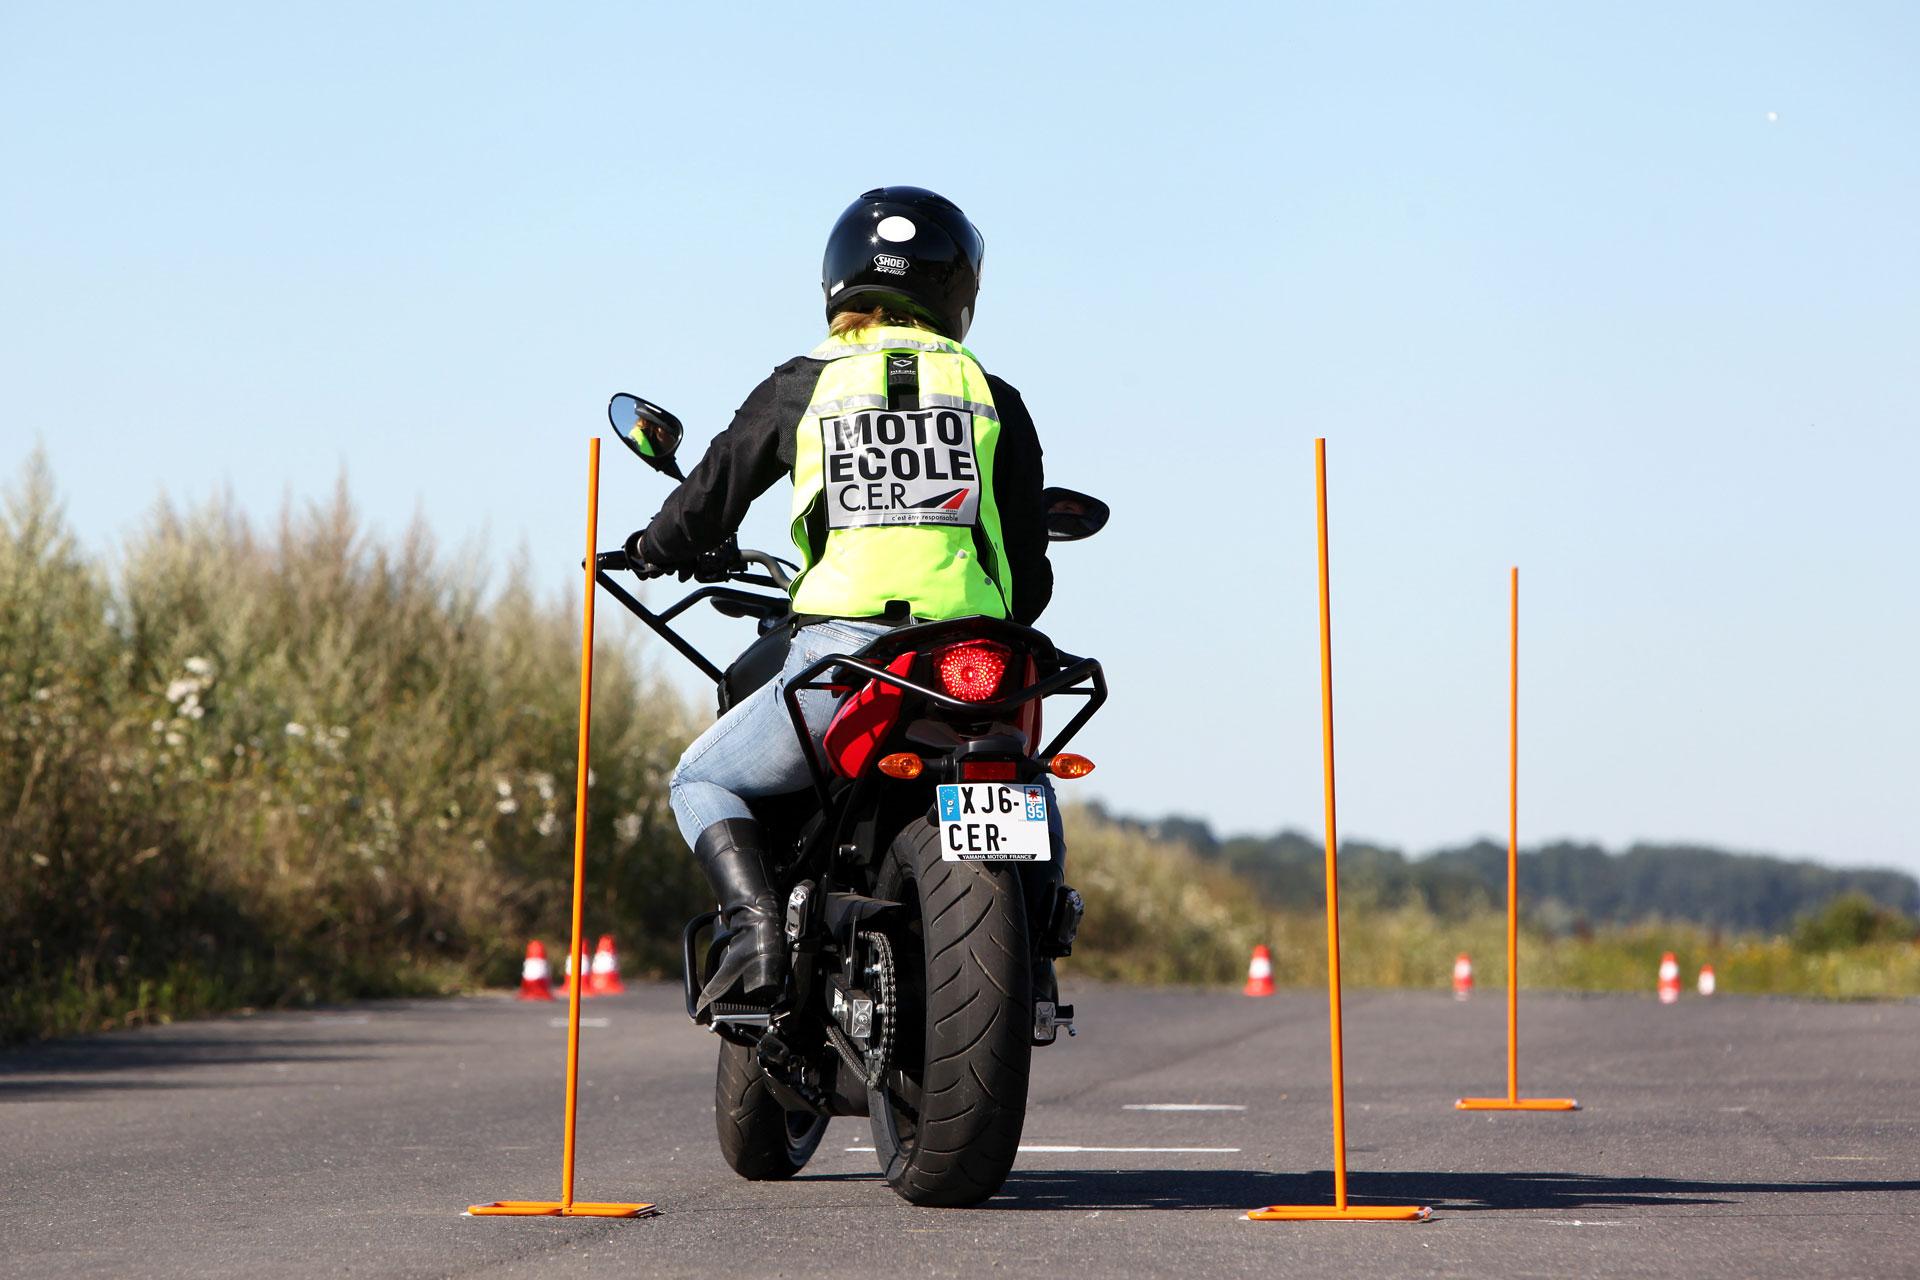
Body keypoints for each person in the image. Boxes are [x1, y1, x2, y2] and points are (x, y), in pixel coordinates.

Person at [626, 186, 1057, 1011]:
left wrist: (651, 548)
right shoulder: (993, 396)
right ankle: (1035, 951)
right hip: (976, 657)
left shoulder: (803, 386)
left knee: (699, 781)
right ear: (957, 290)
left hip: (844, 662)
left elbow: (707, 500)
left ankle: (756, 935)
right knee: (1025, 774)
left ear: (838, 286)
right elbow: (1029, 577)